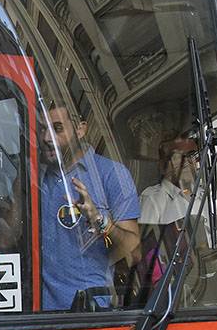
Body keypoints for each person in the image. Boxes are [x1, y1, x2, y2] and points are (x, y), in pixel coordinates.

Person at [37, 107, 141, 311]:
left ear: (80, 129)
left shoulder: (110, 175)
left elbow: (133, 252)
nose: (47, 137)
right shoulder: (34, 178)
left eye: (57, 128)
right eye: (42, 129)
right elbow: (6, 240)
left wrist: (98, 219)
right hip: (35, 316)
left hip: (88, 314)